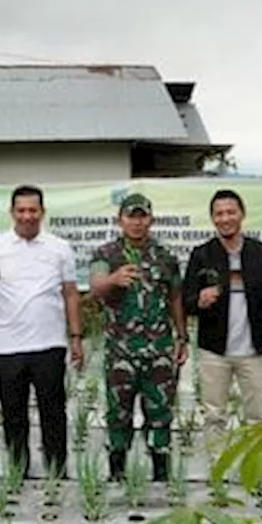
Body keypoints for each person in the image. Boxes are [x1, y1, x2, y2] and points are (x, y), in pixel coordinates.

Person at [0, 185, 84, 478]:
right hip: (8, 344)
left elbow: (71, 294)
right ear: (11, 213)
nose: (27, 216)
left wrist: (76, 337)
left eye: (32, 210)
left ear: (42, 213)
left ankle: (57, 471)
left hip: (49, 342)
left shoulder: (59, 248)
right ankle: (17, 470)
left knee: (53, 411)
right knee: (13, 413)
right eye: (21, 210)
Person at [89, 193, 187, 481]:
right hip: (121, 352)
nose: (136, 222)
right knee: (118, 414)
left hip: (159, 350)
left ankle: (161, 474)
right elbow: (95, 286)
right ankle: (117, 472)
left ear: (151, 220)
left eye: (142, 216)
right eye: (131, 216)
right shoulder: (106, 255)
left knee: (160, 413)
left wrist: (182, 337)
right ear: (120, 220)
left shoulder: (166, 257)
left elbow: (176, 298)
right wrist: (112, 280)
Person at [182, 189, 262, 446]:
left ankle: (256, 474)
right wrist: (199, 300)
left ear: (242, 214)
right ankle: (218, 472)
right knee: (214, 414)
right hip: (214, 350)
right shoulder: (202, 254)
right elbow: (186, 301)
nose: (225, 218)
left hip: (255, 350)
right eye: (219, 214)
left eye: (231, 212)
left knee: (258, 418)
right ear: (212, 219)